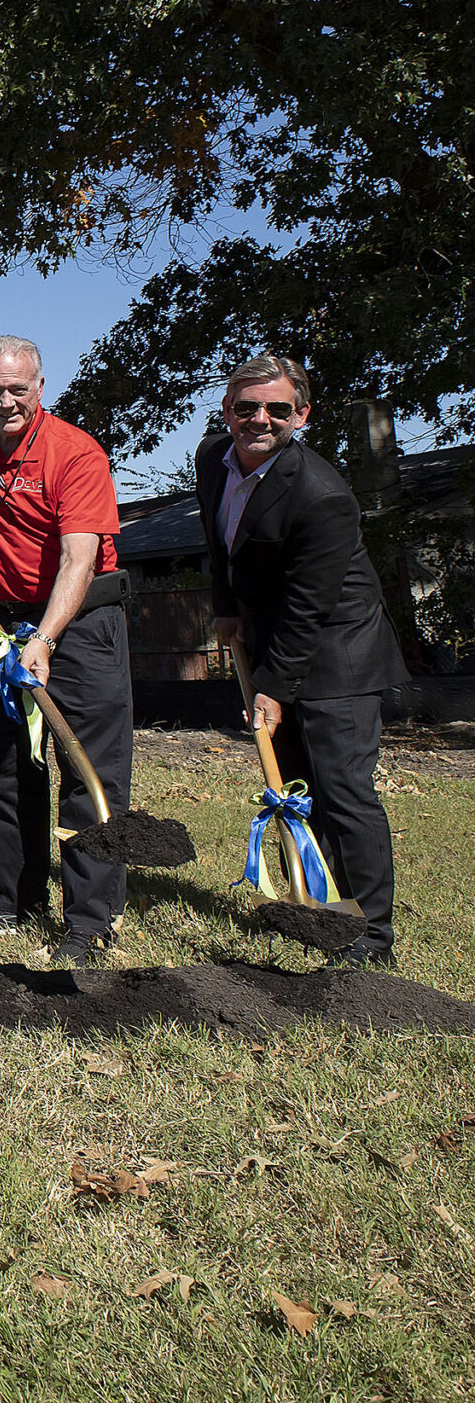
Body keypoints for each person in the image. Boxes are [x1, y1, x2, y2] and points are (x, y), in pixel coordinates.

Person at [198, 354, 408, 967]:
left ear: (302, 414)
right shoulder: (214, 457)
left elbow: (308, 605)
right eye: (245, 407)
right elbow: (220, 541)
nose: (259, 419)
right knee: (293, 784)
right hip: (271, 636)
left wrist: (273, 688)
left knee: (343, 791)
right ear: (228, 408)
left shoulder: (321, 494)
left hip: (337, 649)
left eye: (277, 408)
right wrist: (226, 607)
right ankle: (315, 906)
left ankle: (371, 935)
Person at [0, 335, 132, 963]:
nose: (6, 399)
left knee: (85, 767)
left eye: (18, 387)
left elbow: (79, 558)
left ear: (40, 388)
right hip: (0, 622)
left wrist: (45, 638)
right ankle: (8, 901)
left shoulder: (74, 452)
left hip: (80, 625)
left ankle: (90, 917)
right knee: (5, 765)